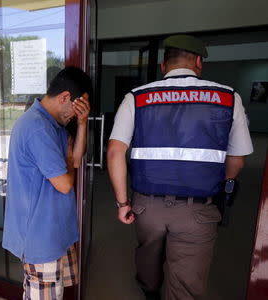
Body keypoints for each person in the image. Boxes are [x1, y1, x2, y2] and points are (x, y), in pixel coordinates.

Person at [107, 35, 253, 300]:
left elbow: (115, 151)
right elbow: (238, 158)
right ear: (199, 62)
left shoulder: (136, 98)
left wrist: (122, 203)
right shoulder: (228, 97)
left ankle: (150, 290)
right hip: (198, 209)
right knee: (186, 281)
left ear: (164, 65)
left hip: (146, 206)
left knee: (148, 258)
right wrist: (225, 185)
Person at [2, 66, 92, 300]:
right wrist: (69, 160)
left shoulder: (53, 124)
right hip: (40, 236)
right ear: (65, 97)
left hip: (54, 229)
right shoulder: (37, 128)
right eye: (78, 107)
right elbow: (65, 184)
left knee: (52, 292)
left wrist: (82, 124)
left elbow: (77, 158)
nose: (76, 114)